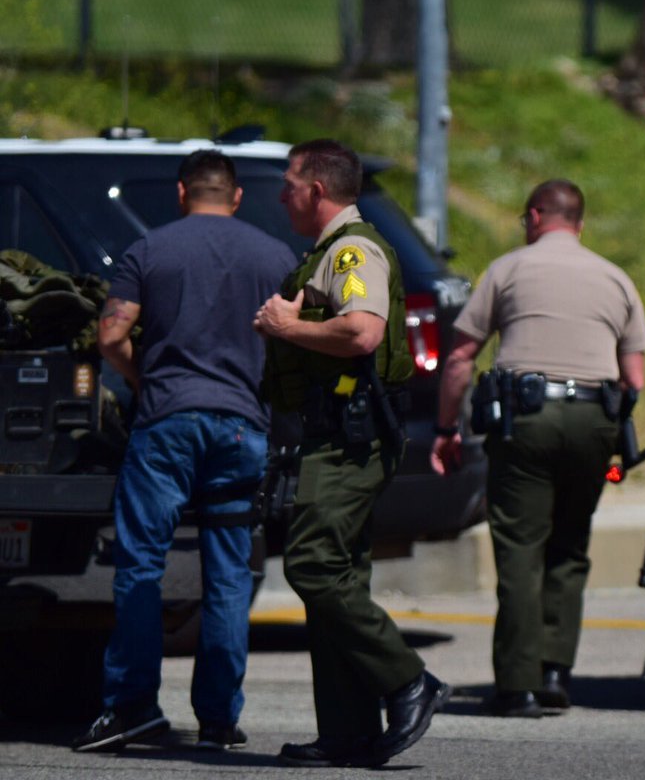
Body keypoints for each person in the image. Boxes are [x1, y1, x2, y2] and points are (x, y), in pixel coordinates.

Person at [73, 150, 296, 753]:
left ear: (180, 194)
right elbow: (292, 346)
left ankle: (131, 707)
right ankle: (219, 717)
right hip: (242, 431)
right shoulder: (275, 256)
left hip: (167, 423)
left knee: (141, 563)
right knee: (228, 573)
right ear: (237, 196)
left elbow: (111, 335)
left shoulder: (151, 250)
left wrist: (144, 378)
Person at [254, 139, 448, 767]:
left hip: (349, 441)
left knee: (310, 565)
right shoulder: (329, 252)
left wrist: (289, 328)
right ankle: (348, 731)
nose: (282, 195)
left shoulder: (352, 250)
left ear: (317, 190)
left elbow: (361, 331)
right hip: (334, 436)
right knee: (338, 575)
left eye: (289, 183)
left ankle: (407, 680)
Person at [431, 179, 645, 717]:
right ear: (580, 222)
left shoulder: (507, 270)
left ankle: (517, 684)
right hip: (593, 422)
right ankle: (555, 671)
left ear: (534, 216)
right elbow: (635, 377)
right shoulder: (616, 278)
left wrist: (445, 428)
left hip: (526, 421)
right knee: (570, 546)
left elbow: (461, 357)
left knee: (520, 548)